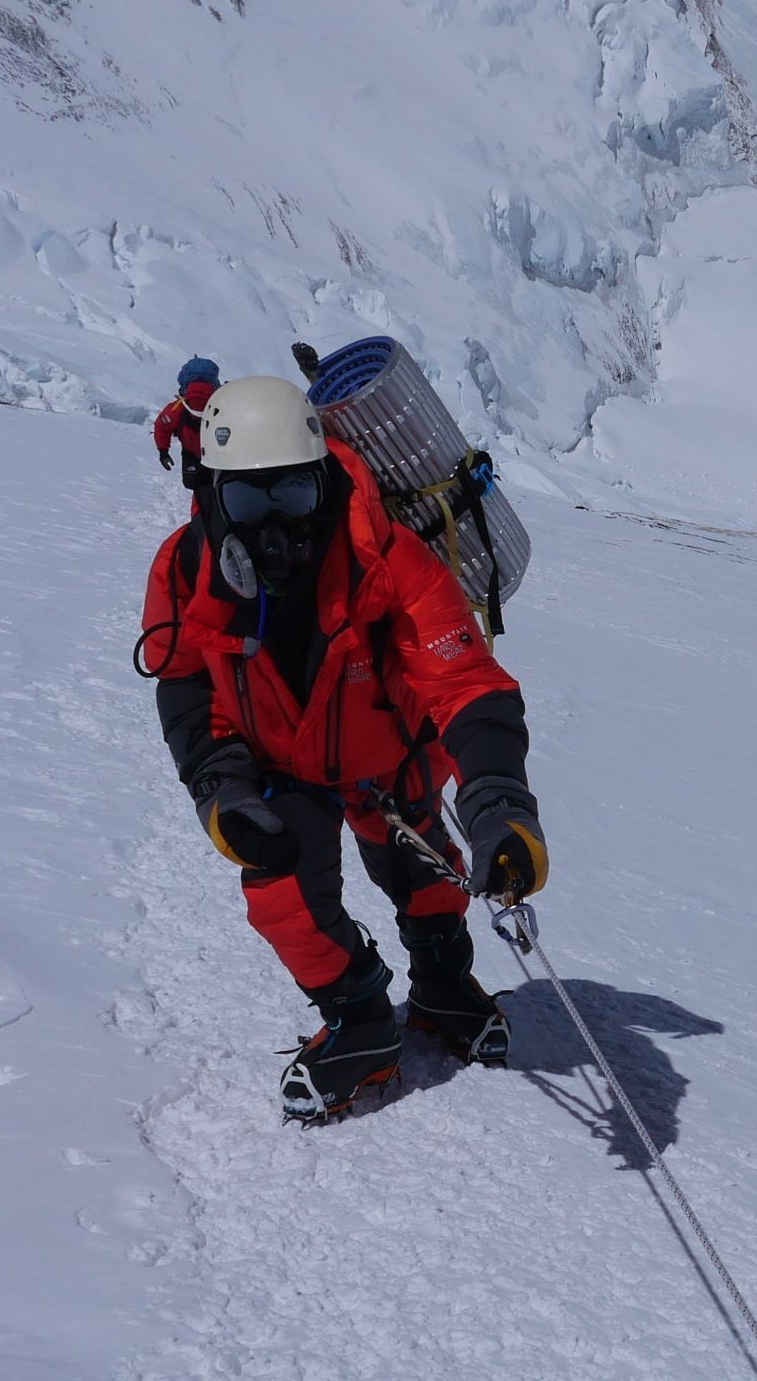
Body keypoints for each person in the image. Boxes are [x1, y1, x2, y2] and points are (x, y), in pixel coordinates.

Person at [136, 375, 549, 1122]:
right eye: (248, 502)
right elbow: (186, 686)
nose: (273, 527)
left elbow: (465, 683)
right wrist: (217, 784)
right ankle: (359, 1019)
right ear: (211, 494)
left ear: (322, 480)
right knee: (283, 899)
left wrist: (496, 799)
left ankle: (443, 985)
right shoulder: (184, 571)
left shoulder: (385, 561)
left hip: (389, 757)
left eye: (291, 497)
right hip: (275, 767)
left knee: (423, 875)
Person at [152, 357, 221, 492]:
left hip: (206, 452)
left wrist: (163, 452)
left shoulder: (175, 410)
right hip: (207, 452)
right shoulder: (221, 407)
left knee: (207, 485)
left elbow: (162, 426)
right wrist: (163, 452)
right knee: (197, 484)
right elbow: (162, 428)